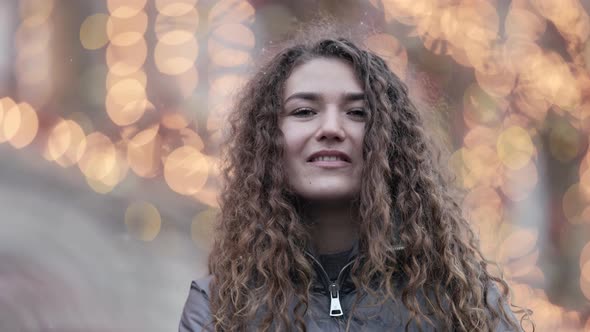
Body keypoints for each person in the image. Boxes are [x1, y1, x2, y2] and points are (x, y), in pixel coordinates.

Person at [179, 31, 527, 331]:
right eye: (304, 111)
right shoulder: (219, 308)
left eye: (357, 113)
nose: (331, 128)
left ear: (391, 140)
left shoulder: (462, 299)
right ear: (269, 140)